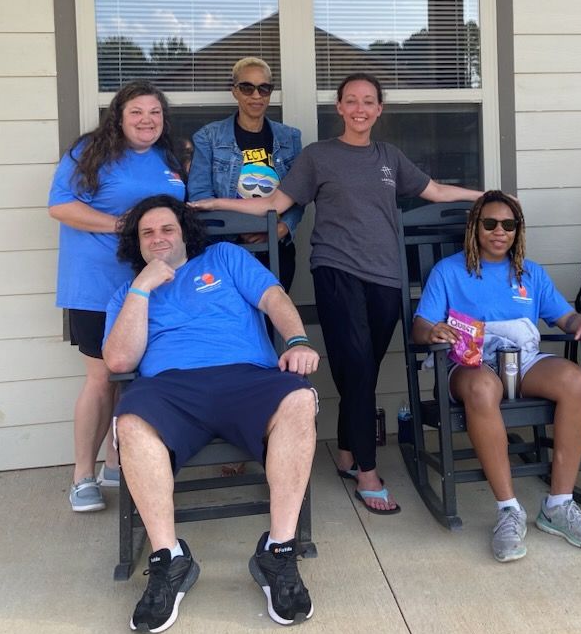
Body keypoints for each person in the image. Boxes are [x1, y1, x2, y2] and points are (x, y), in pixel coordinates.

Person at [193, 73, 482, 514]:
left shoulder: (390, 157)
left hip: (386, 276)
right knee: (359, 369)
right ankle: (367, 471)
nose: (360, 108)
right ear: (340, 108)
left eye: (368, 101)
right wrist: (216, 203)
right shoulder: (318, 156)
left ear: (379, 109)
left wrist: (489, 197)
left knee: (360, 371)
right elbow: (273, 204)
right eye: (352, 101)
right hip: (336, 272)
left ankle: (347, 452)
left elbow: (436, 191)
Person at [104, 195, 319, 631]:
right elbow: (120, 361)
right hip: (171, 390)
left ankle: (278, 552)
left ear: (185, 232)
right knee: (130, 422)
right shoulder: (127, 294)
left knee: (299, 399)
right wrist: (143, 288)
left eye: (167, 229)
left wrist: (297, 341)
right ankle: (169, 559)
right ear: (136, 243)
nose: (158, 238)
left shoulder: (224, 257)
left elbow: (274, 298)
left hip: (246, 378)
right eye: (147, 233)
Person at [413, 191, 581, 561]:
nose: (499, 231)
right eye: (490, 223)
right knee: (482, 388)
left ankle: (558, 505)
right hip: (470, 363)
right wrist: (433, 331)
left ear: (518, 230)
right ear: (475, 228)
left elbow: (565, 318)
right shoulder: (449, 271)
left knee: (575, 381)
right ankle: (508, 510)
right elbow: (421, 324)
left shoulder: (530, 273)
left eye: (509, 224)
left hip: (523, 361)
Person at [48, 80, 187, 512]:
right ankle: (82, 477)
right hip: (95, 284)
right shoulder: (91, 152)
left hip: (150, 286)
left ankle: (115, 464)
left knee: (137, 376)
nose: (147, 120)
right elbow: (60, 206)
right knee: (102, 378)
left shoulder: (168, 156)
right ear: (119, 117)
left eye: (155, 112)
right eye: (137, 112)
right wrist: (120, 225)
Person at [188, 57, 303, 289]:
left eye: (264, 88)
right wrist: (240, 227)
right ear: (235, 91)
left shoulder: (289, 138)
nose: (256, 95)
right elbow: (200, 196)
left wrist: (280, 230)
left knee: (275, 310)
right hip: (227, 249)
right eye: (247, 88)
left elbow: (299, 194)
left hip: (276, 249)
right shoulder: (209, 137)